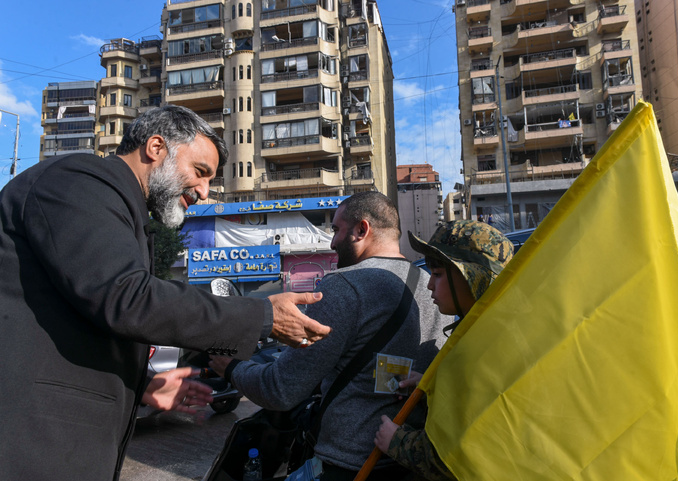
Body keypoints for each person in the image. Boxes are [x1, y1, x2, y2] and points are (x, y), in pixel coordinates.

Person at [0, 105, 331, 481]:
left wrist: (140, 387)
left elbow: (73, 324)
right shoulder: (79, 181)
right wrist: (262, 315)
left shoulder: (124, 211)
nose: (205, 192)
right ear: (156, 147)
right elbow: (128, 298)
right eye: (200, 172)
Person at [210, 192, 453, 481]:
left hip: (350, 465)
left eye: (337, 230)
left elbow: (279, 389)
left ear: (362, 230)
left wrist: (232, 367)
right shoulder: (435, 287)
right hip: (413, 461)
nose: (332, 241)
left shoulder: (344, 286)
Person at [373, 220, 514, 480]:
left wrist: (397, 442)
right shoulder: (491, 330)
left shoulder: (483, 348)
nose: (429, 286)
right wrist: (434, 387)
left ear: (472, 277)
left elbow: (465, 453)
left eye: (437, 275)